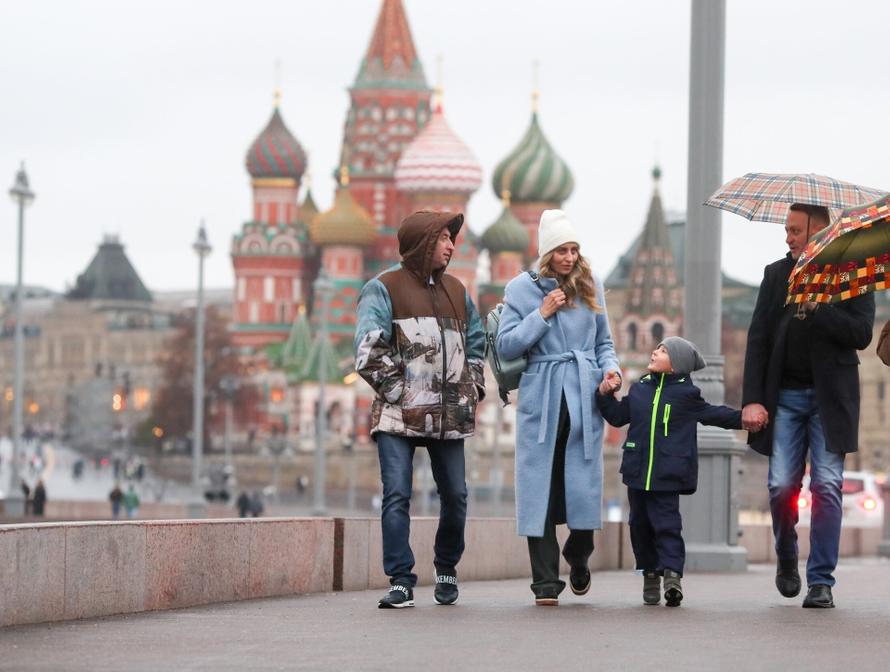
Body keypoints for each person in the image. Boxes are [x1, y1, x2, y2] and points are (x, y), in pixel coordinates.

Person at [742, 203, 875, 609]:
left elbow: (861, 334)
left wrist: (819, 308)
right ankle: (786, 555)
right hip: (784, 398)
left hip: (830, 400)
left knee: (827, 487)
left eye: (795, 230)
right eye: (787, 230)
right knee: (781, 486)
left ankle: (821, 582)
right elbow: (758, 339)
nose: (788, 237)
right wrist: (752, 399)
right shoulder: (775, 274)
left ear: (819, 232)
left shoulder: (853, 273)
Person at [355, 210, 485, 609]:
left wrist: (472, 386)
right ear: (424, 243)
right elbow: (368, 349)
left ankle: (446, 568)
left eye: (452, 238)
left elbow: (477, 343)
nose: (451, 246)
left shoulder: (457, 291)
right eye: (444, 238)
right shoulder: (382, 288)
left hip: (449, 416)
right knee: (396, 495)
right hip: (398, 416)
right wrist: (401, 393)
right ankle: (400, 580)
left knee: (456, 496)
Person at [495, 209, 620, 606]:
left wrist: (611, 372)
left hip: (584, 393)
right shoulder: (520, 289)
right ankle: (545, 583)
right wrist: (542, 313)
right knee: (539, 490)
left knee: (584, 484)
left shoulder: (591, 284)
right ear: (546, 253)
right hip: (542, 394)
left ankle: (579, 554)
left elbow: (604, 343)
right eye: (561, 250)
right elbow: (507, 345)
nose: (568, 257)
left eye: (573, 249)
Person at [596, 337, 744, 607]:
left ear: (676, 366)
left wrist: (744, 418)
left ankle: (673, 575)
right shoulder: (639, 389)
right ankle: (650, 574)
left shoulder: (686, 395)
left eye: (663, 351)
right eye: (657, 348)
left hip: (668, 473)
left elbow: (714, 414)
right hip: (637, 471)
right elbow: (618, 416)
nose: (655, 352)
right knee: (639, 526)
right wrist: (604, 395)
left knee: (667, 525)